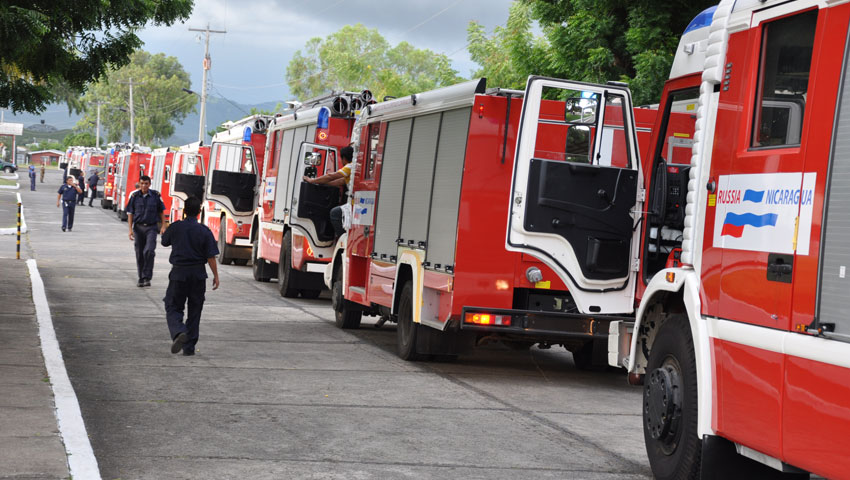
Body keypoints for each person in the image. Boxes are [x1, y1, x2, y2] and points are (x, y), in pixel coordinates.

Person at [161, 196, 220, 356]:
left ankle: (179, 330)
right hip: (198, 274)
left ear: (184, 211)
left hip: (179, 272)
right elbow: (210, 257)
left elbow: (164, 241)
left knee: (172, 305)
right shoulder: (204, 231)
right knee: (195, 309)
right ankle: (189, 347)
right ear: (199, 212)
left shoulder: (176, 227)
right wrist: (215, 275)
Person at [303, 146, 353, 238]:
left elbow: (331, 176)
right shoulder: (353, 169)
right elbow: (339, 181)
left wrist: (312, 181)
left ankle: (343, 238)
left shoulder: (350, 166)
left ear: (344, 158)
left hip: (354, 204)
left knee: (335, 213)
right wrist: (322, 183)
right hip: (354, 203)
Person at [126, 175, 166, 288]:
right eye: (142, 183)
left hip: (151, 228)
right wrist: (130, 229)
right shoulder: (134, 196)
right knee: (139, 253)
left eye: (146, 184)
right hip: (138, 228)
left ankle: (147, 277)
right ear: (139, 184)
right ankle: (141, 278)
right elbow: (130, 213)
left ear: (150, 184)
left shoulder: (156, 196)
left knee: (149, 251)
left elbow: (161, 211)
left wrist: (163, 226)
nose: (144, 186)